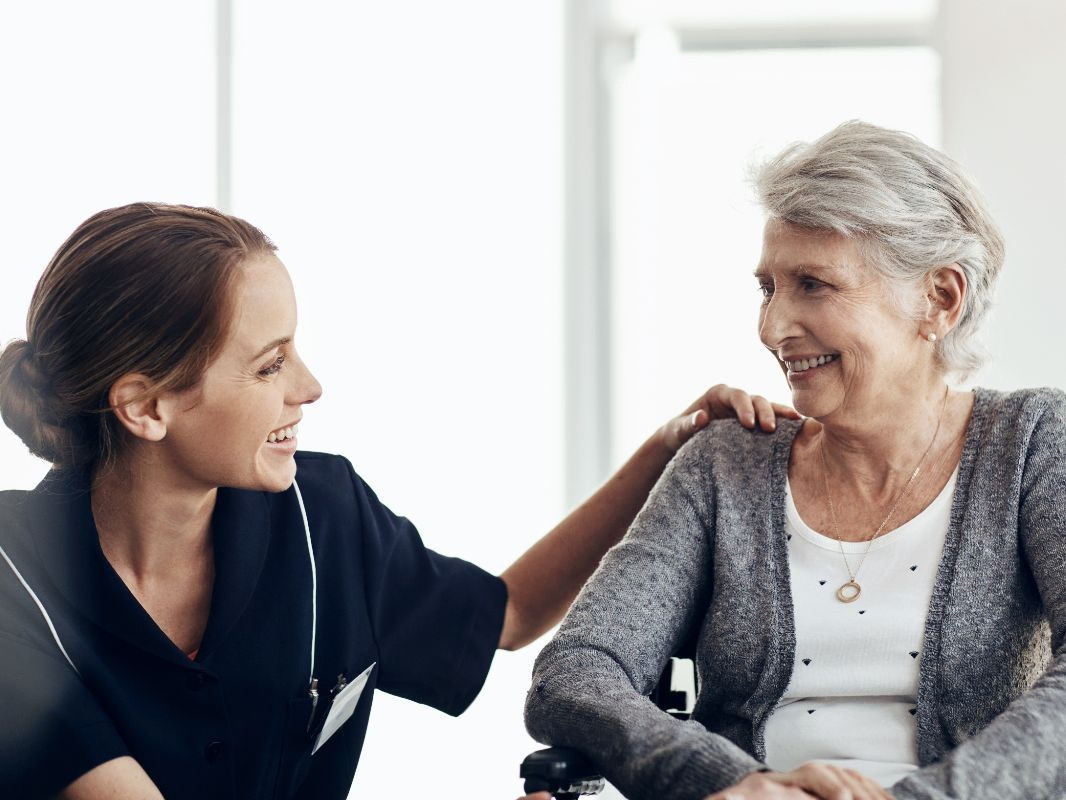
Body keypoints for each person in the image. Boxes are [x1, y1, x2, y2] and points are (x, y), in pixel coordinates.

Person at [0, 202, 795, 800]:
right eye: (271, 366)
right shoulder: (12, 581)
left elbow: (509, 616)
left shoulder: (325, 512)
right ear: (145, 408)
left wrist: (666, 449)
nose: (310, 387)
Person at [524, 120, 1066, 800]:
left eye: (813, 284)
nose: (772, 327)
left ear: (940, 298)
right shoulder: (723, 467)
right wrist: (742, 784)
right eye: (768, 288)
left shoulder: (1034, 443)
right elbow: (573, 672)